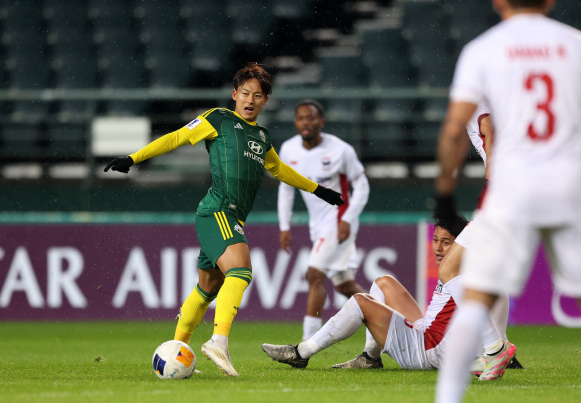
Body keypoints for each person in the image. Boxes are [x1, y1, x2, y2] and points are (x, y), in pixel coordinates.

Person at [410, 0, 581, 403]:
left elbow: (453, 130)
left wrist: (444, 191)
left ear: (499, 2)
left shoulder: (483, 50)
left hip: (510, 191)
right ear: (549, 2)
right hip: (569, 187)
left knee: (473, 294)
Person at [103, 63, 343, 377]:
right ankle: (219, 342)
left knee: (206, 288)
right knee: (241, 270)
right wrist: (133, 158)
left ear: (265, 101)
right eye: (245, 93)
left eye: (258, 95)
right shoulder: (218, 118)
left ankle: (178, 350)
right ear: (234, 94)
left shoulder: (261, 136)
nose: (250, 99)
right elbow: (176, 138)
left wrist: (319, 190)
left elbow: (279, 169)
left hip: (230, 217)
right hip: (217, 211)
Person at [261, 215, 515, 378]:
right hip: (428, 333)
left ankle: (300, 353)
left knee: (360, 301)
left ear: (460, 246)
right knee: (384, 283)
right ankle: (370, 358)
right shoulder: (466, 269)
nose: (437, 247)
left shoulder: (464, 272)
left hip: (427, 350)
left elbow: (492, 301)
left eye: (446, 242)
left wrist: (493, 348)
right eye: (435, 240)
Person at [438, 102, 523, 374]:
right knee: (491, 275)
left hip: (503, 197)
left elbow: (490, 130)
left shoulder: (480, 105)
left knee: (449, 269)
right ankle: (497, 348)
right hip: (525, 192)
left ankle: (495, 348)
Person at [277, 100, 370, 342]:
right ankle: (389, 321)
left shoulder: (340, 150)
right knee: (345, 286)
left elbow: (362, 185)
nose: (305, 123)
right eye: (300, 118)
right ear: (295, 122)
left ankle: (307, 342)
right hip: (317, 225)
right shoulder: (288, 150)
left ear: (321, 122)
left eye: (311, 118)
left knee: (314, 274)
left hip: (338, 220)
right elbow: (286, 189)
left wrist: (348, 219)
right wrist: (284, 226)